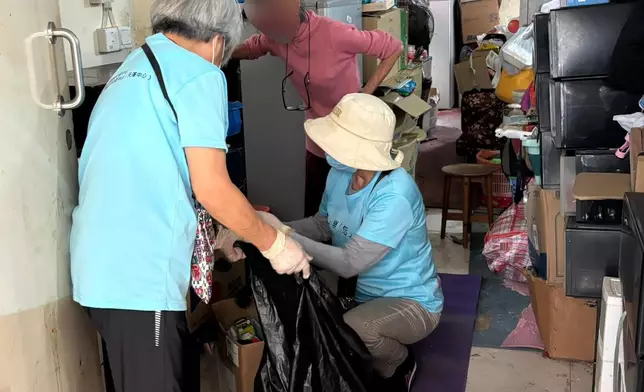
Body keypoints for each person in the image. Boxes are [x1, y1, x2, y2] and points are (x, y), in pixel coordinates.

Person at [70, 0, 310, 391]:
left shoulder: (137, 64)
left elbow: (163, 173)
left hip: (105, 269)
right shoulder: (199, 74)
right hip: (140, 279)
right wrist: (275, 245)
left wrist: (233, 227)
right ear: (219, 41)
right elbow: (212, 186)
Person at [258, 93, 444, 391]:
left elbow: (348, 263)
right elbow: (322, 225)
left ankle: (398, 361)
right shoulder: (339, 172)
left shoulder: (394, 194)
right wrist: (266, 231)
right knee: (317, 322)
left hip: (413, 302)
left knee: (358, 328)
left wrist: (283, 236)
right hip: (364, 294)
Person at [233, 0, 403, 217]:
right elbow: (252, 48)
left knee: (349, 213)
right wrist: (210, 55)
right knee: (316, 209)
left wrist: (365, 95)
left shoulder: (335, 33)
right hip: (317, 138)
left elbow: (393, 47)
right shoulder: (275, 38)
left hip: (350, 138)